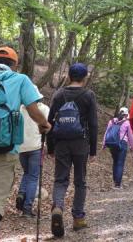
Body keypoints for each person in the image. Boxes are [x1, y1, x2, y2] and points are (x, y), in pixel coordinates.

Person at [0, 46, 51, 241]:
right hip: (5, 147)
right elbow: (34, 110)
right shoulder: (20, 80)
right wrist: (44, 125)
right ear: (14, 64)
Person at [47, 63, 98, 237]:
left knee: (60, 179)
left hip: (61, 142)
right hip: (81, 143)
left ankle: (58, 207)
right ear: (84, 78)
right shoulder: (88, 95)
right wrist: (93, 150)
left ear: (69, 76)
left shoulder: (58, 94)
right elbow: (93, 124)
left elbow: (50, 121)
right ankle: (78, 218)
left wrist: (50, 146)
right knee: (80, 181)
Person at [16, 86, 50, 217]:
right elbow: (46, 127)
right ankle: (27, 208)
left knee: (27, 173)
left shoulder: (20, 109)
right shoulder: (44, 109)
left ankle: (21, 193)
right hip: (36, 147)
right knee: (33, 177)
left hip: (21, 147)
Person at [103, 107, 133, 189]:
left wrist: (104, 144)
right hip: (122, 144)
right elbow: (130, 136)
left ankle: (115, 181)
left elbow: (107, 133)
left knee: (115, 162)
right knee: (120, 163)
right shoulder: (127, 123)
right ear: (126, 114)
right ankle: (117, 184)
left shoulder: (112, 121)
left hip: (112, 144)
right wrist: (132, 146)